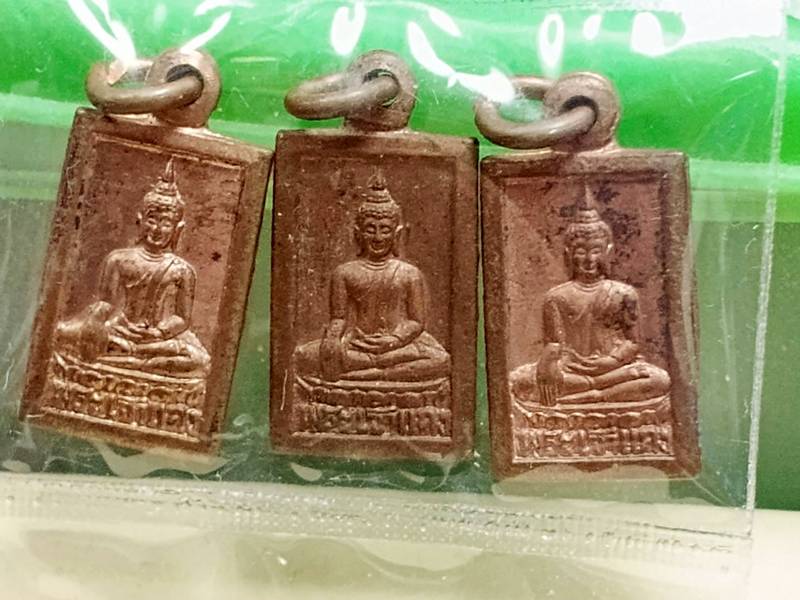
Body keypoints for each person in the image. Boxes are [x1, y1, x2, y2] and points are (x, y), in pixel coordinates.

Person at [510, 185, 670, 406]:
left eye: (596, 251)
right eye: (581, 251)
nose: (589, 259)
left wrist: (611, 361)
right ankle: (601, 392)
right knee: (520, 381)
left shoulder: (623, 293)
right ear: (568, 253)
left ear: (608, 251)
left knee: (660, 379)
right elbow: (554, 344)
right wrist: (547, 365)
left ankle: (594, 396)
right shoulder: (556, 297)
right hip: (572, 369)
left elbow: (633, 342)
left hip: (615, 369)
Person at [53, 159, 210, 377]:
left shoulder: (182, 270)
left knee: (199, 360)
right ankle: (135, 360)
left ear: (178, 229)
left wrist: (158, 333)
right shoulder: (119, 259)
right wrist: (96, 324)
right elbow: (106, 302)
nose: (157, 229)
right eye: (152, 221)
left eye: (166, 223)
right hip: (119, 330)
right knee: (64, 334)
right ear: (140, 220)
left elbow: (182, 318)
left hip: (155, 340)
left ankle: (134, 360)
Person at [293, 171, 449, 383]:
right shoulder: (344, 272)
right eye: (370, 229)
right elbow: (338, 318)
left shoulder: (409, 273)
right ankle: (381, 371)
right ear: (358, 233)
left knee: (441, 360)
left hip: (398, 346)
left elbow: (417, 321)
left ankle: (373, 374)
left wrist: (394, 340)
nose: (378, 237)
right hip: (358, 344)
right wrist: (332, 340)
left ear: (397, 233)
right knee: (304, 356)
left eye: (385, 230)